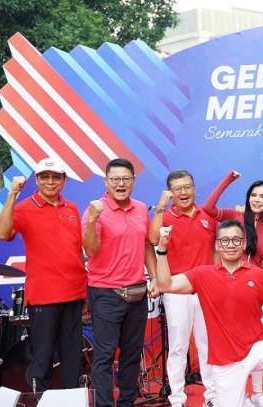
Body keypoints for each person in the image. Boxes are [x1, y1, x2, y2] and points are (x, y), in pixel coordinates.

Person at [155, 220, 263, 407]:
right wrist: (162, 249)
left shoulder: (258, 275)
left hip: (256, 349)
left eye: (236, 240)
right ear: (218, 245)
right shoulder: (202, 274)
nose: (231, 245)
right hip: (225, 362)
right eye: (225, 241)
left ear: (243, 244)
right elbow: (165, 284)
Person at [0, 157, 87, 392]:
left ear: (64, 180)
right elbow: (4, 233)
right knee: (43, 360)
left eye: (56, 177)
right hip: (44, 297)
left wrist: (86, 290)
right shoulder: (25, 207)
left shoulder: (72, 208)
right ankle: (41, 400)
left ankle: (71, 401)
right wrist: (12, 195)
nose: (50, 182)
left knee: (72, 361)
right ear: (37, 180)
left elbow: (76, 250)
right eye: (44, 177)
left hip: (74, 293)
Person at [82, 158, 158, 407]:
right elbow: (91, 251)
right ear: (106, 182)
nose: (121, 183)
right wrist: (92, 221)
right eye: (115, 179)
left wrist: (155, 276)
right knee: (104, 355)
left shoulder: (139, 208)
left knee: (132, 353)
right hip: (105, 292)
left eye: (126, 178)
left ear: (134, 181)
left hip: (137, 290)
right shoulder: (95, 210)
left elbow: (147, 246)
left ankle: (127, 401)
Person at [203, 172, 263, 406]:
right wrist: (227, 180)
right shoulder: (236, 215)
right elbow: (207, 208)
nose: (257, 199)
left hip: (256, 287)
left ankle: (257, 393)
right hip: (226, 286)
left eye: (262, 196)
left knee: (257, 341)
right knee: (227, 342)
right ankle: (231, 394)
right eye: (253, 195)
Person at [148, 170, 216, 406]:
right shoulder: (165, 216)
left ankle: (212, 396)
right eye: (178, 189)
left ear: (194, 188)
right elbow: (153, 239)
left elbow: (217, 250)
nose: (184, 192)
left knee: (207, 344)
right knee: (178, 345)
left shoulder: (207, 216)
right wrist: (160, 205)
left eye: (187, 187)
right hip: (176, 289)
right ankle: (177, 398)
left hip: (206, 289)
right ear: (170, 192)